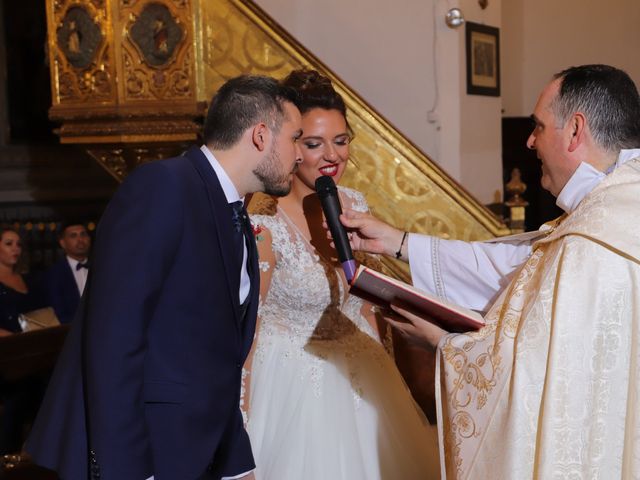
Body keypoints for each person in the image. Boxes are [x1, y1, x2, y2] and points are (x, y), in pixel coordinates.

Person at [340, 64, 640, 478]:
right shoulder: (617, 209)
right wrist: (399, 243)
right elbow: (514, 269)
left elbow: (531, 380)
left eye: (539, 126)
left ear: (575, 130)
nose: (530, 141)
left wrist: (445, 346)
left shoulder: (591, 246)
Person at [25, 75, 303, 480]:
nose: (298, 154)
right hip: (147, 453)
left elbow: (218, 356)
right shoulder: (163, 187)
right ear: (261, 136)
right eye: (295, 138)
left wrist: (235, 464)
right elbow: (113, 340)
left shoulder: (237, 214)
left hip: (202, 452)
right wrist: (130, 471)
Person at [244, 69, 440, 479]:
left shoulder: (353, 203)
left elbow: (368, 305)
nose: (332, 156)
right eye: (314, 143)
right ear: (291, 145)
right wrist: (240, 417)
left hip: (366, 378)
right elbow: (248, 329)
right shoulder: (264, 223)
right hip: (289, 385)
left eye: (341, 140)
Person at [0, 225, 47, 455]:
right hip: (6, 360)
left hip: (32, 359)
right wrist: (15, 340)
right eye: (9, 243)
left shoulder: (28, 279)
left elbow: (40, 316)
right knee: (12, 416)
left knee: (40, 408)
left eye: (18, 244)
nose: (15, 249)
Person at [43, 222, 91, 324]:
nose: (80, 240)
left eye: (83, 234)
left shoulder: (101, 267)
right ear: (62, 243)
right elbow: (58, 313)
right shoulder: (54, 274)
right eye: (73, 236)